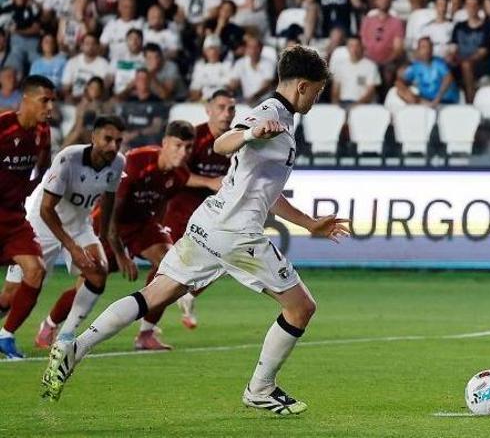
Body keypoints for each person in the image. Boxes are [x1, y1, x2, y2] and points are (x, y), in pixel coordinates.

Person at [42, 46, 349, 418]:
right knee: (301, 307)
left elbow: (264, 190)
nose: (317, 99)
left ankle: (75, 347)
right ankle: (260, 389)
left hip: (210, 223)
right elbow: (223, 143)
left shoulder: (283, 118)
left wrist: (308, 222)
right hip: (237, 235)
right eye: (316, 91)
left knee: (154, 294)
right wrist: (251, 131)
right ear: (302, 87)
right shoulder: (270, 113)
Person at [88, 120, 220, 350]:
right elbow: (111, 215)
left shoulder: (180, 174)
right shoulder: (136, 161)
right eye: (178, 145)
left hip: (142, 223)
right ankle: (54, 325)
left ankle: (146, 334)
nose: (183, 152)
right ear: (165, 143)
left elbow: (161, 202)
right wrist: (121, 255)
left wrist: (157, 231)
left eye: (188, 148)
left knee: (173, 268)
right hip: (108, 224)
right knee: (92, 280)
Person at [7, 116, 132, 350]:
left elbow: (109, 198)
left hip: (79, 225)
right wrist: (73, 248)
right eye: (107, 139)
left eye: (118, 141)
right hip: (43, 223)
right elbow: (46, 209)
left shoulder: (118, 163)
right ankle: (7, 332)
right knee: (11, 295)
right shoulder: (68, 158)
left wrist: (104, 238)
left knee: (97, 272)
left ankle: (64, 334)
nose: (113, 146)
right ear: (93, 137)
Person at [163, 91, 235, 329]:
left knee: (221, 260)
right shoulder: (194, 138)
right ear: (209, 109)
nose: (227, 114)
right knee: (168, 264)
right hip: (180, 209)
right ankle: (148, 325)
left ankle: (188, 296)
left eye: (231, 109)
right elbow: (177, 172)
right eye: (221, 107)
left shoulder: (237, 142)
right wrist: (208, 182)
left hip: (212, 214)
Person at [0, 75, 53, 359]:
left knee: (36, 269)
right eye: (45, 100)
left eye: (52, 100)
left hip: (15, 218)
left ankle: (6, 336)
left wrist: (30, 187)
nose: (50, 106)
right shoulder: (3, 127)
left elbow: (43, 162)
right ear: (26, 99)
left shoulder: (43, 132)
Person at [396, 37, 459, 107]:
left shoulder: (439, 63)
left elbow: (448, 78)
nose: (426, 50)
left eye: (428, 47)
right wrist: (404, 89)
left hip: (446, 102)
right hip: (426, 101)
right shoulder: (415, 67)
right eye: (423, 47)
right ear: (418, 50)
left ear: (432, 49)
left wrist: (436, 100)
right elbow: (401, 79)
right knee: (400, 90)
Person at [329, 36, 380, 105]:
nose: (354, 49)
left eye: (357, 46)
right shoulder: (340, 66)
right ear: (347, 48)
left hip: (362, 105)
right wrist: (336, 105)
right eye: (351, 46)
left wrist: (356, 105)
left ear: (362, 47)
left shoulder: (371, 66)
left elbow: (370, 91)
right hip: (342, 104)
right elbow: (335, 89)